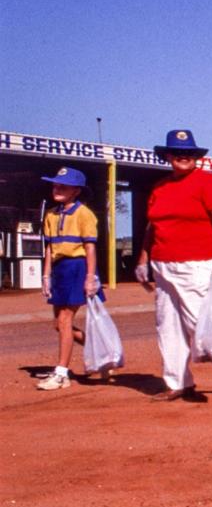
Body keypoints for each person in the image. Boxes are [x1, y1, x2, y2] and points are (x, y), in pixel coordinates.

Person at [134, 129, 212, 400]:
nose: (182, 158)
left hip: (197, 264)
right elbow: (152, 226)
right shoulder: (160, 187)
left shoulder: (210, 183)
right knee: (168, 325)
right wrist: (143, 259)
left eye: (188, 153)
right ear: (168, 156)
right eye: (177, 153)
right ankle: (177, 382)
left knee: (200, 323)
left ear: (196, 156)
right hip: (163, 265)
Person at [37, 167, 103, 390]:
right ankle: (103, 355)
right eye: (55, 185)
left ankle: (62, 373)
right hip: (59, 270)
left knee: (65, 320)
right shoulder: (51, 214)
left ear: (76, 191)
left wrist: (90, 277)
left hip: (78, 267)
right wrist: (46, 275)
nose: (57, 189)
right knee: (59, 324)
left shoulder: (85, 214)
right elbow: (49, 248)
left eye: (63, 186)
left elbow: (90, 249)